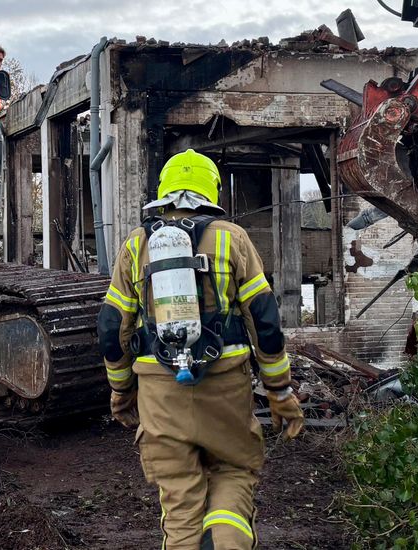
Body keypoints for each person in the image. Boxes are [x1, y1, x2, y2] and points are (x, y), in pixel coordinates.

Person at [97, 150, 304, 550]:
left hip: (160, 398)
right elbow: (266, 322)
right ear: (212, 191)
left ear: (164, 192)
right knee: (234, 473)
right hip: (224, 390)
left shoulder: (137, 244)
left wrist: (121, 390)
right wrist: (279, 391)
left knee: (180, 510)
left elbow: (110, 328)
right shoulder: (232, 238)